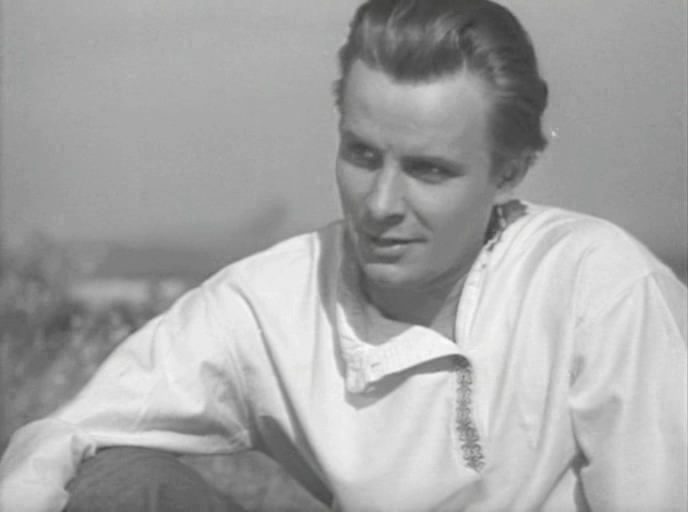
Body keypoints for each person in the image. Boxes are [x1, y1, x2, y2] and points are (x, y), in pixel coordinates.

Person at [1, 0, 686, 510]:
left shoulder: (601, 288)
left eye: (429, 170)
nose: (381, 203)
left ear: (509, 172)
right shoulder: (270, 302)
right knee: (118, 485)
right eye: (362, 155)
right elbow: (67, 436)